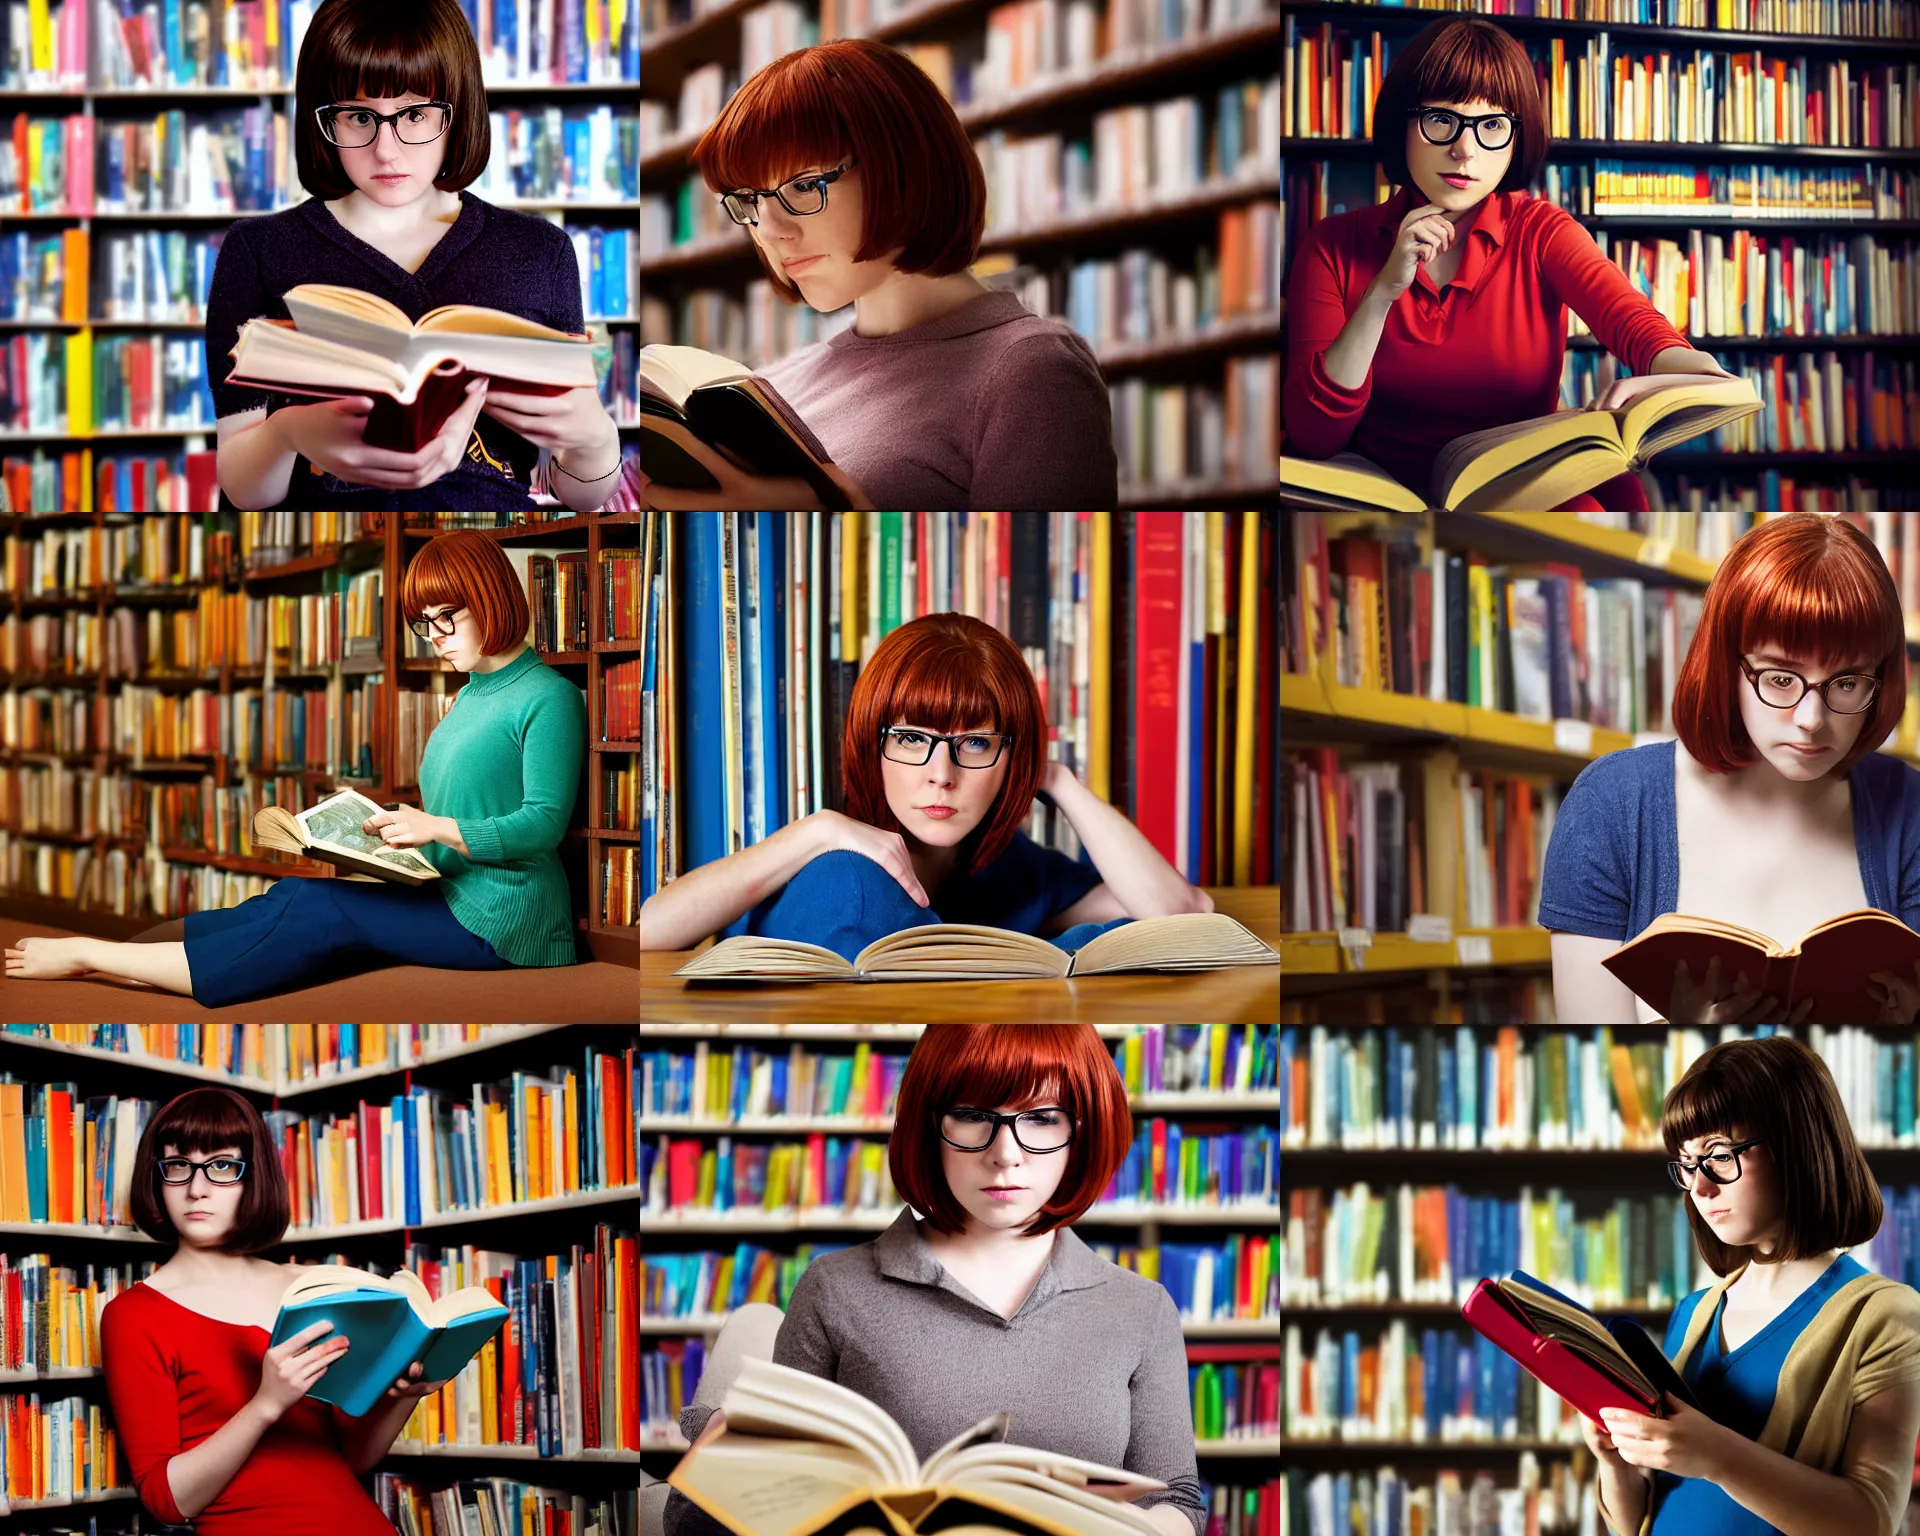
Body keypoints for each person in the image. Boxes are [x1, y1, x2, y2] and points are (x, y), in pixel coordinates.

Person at [661, 1025, 1208, 1536]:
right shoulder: (835, 1288)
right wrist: (725, 1451)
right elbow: (695, 1524)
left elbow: (1179, 1498)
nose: (1006, 1155)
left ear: (1080, 1131)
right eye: (972, 1115)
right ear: (930, 1124)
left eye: (1042, 1117)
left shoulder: (1141, 1309)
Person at [3, 531, 586, 1005]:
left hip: (507, 921)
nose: (434, 637)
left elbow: (544, 823)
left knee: (321, 908)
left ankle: (94, 956)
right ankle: (133, 957)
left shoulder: (548, 697)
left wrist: (433, 828)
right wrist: (378, 839)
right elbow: (463, 817)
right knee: (290, 892)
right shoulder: (467, 695)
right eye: (423, 621)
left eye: (446, 618)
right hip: (451, 889)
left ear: (490, 599)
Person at [1281, 15, 1741, 513]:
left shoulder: (1543, 231)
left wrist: (1664, 378)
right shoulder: (1331, 245)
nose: (1465, 149)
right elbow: (1314, 436)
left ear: (1515, 140)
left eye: (1493, 126)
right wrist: (1383, 292)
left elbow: (1640, 329)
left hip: (1519, 492)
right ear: (1403, 125)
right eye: (1441, 119)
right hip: (1383, 498)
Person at [638, 39, 1118, 512]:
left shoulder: (1030, 373)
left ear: (905, 167)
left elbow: (1039, 585)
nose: (771, 232)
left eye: (804, 185)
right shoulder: (765, 393)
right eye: (750, 202)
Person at [207, 0, 624, 512]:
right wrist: (289, 432)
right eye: (359, 117)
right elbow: (244, 491)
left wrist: (595, 440)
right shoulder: (258, 250)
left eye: (416, 114)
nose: (386, 149)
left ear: (458, 112)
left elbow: (582, 498)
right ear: (322, 117)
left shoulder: (540, 251)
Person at [636, 610, 1211, 955]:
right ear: (874, 745)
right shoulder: (841, 878)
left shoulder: (1008, 865)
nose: (943, 776)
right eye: (912, 739)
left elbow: (1180, 914)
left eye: (976, 744)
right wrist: (814, 832)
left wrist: (1057, 780)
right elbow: (651, 930)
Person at [1538, 512, 1920, 1024]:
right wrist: (1687, 1047)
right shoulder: (1611, 805)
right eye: (1781, 678)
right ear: (1726, 663)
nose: (1812, 720)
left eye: (1847, 684)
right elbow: (1596, 1081)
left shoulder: (1908, 806)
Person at [1578, 1037, 1920, 1536]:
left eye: (1718, 1155)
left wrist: (1714, 1453)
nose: (1700, 1187)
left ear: (1797, 1147)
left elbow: (1871, 1519)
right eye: (1687, 1163)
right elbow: (1638, 1522)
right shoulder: (1694, 1314)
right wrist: (1616, 1462)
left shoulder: (1884, 1315)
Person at [101, 1086, 449, 1533]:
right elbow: (167, 1501)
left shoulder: (308, 1286)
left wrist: (398, 1401)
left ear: (254, 1177)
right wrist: (265, 1404)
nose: (197, 1188)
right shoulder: (134, 1314)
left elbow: (352, 1458)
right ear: (157, 1178)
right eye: (178, 1166)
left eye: (222, 1166)